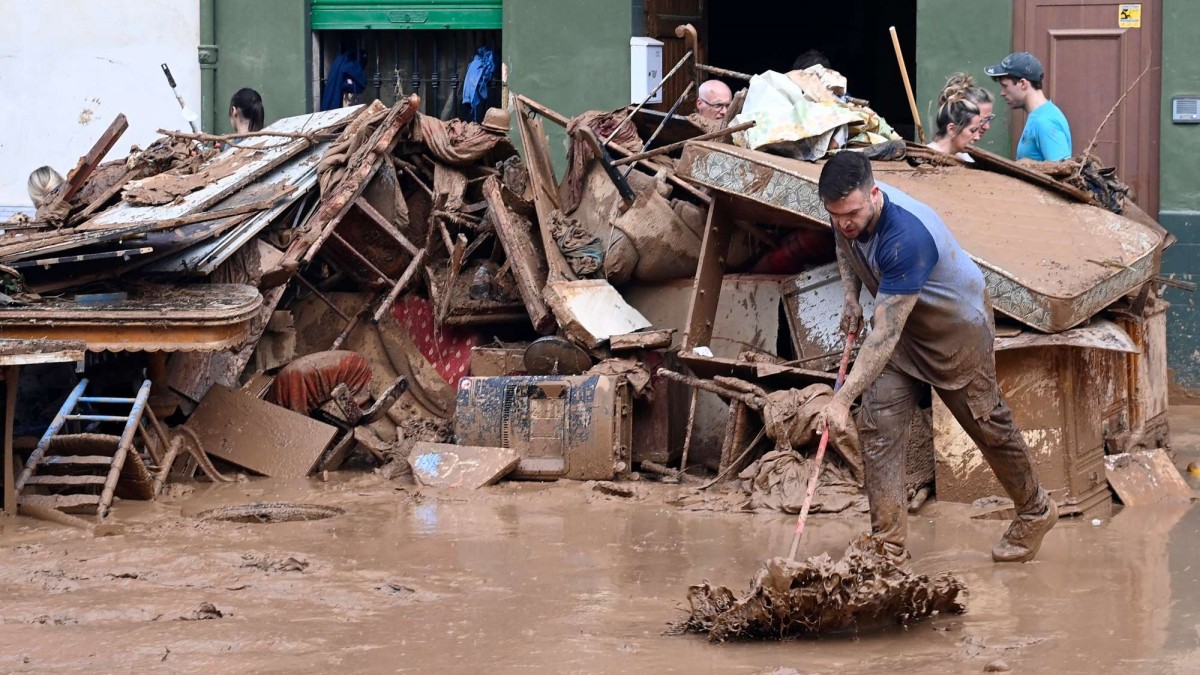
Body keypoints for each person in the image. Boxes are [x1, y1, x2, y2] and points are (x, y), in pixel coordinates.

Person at [815, 151, 1057, 566]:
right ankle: (887, 546)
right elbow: (845, 245)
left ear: (874, 194)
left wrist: (840, 398)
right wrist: (851, 298)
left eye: (851, 213)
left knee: (988, 427)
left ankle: (1036, 509)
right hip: (905, 334)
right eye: (835, 215)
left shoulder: (906, 238)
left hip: (955, 333)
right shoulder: (845, 214)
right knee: (877, 428)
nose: (844, 222)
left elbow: (882, 336)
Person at [985, 52, 1071, 161]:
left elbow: (1062, 172)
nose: (1002, 93)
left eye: (1005, 86)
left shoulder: (1045, 121)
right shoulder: (1040, 116)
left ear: (1023, 83)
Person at [928, 81, 984, 161]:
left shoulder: (964, 160)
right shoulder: (927, 159)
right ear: (952, 129)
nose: (977, 137)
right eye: (973, 130)